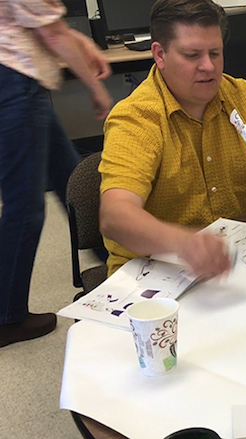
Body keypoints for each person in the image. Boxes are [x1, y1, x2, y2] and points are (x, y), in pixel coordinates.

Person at [98, 0, 246, 279]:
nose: (208, 66)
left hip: (242, 260)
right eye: (192, 55)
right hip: (156, 270)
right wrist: (185, 243)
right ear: (159, 54)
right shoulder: (137, 119)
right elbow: (115, 216)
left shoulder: (245, 99)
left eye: (215, 53)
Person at [0, 0, 113, 348]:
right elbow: (54, 34)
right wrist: (97, 91)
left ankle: (114, 264)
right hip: (14, 83)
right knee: (26, 207)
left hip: (20, 81)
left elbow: (46, 24)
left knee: (70, 175)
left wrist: (86, 45)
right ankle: (6, 317)